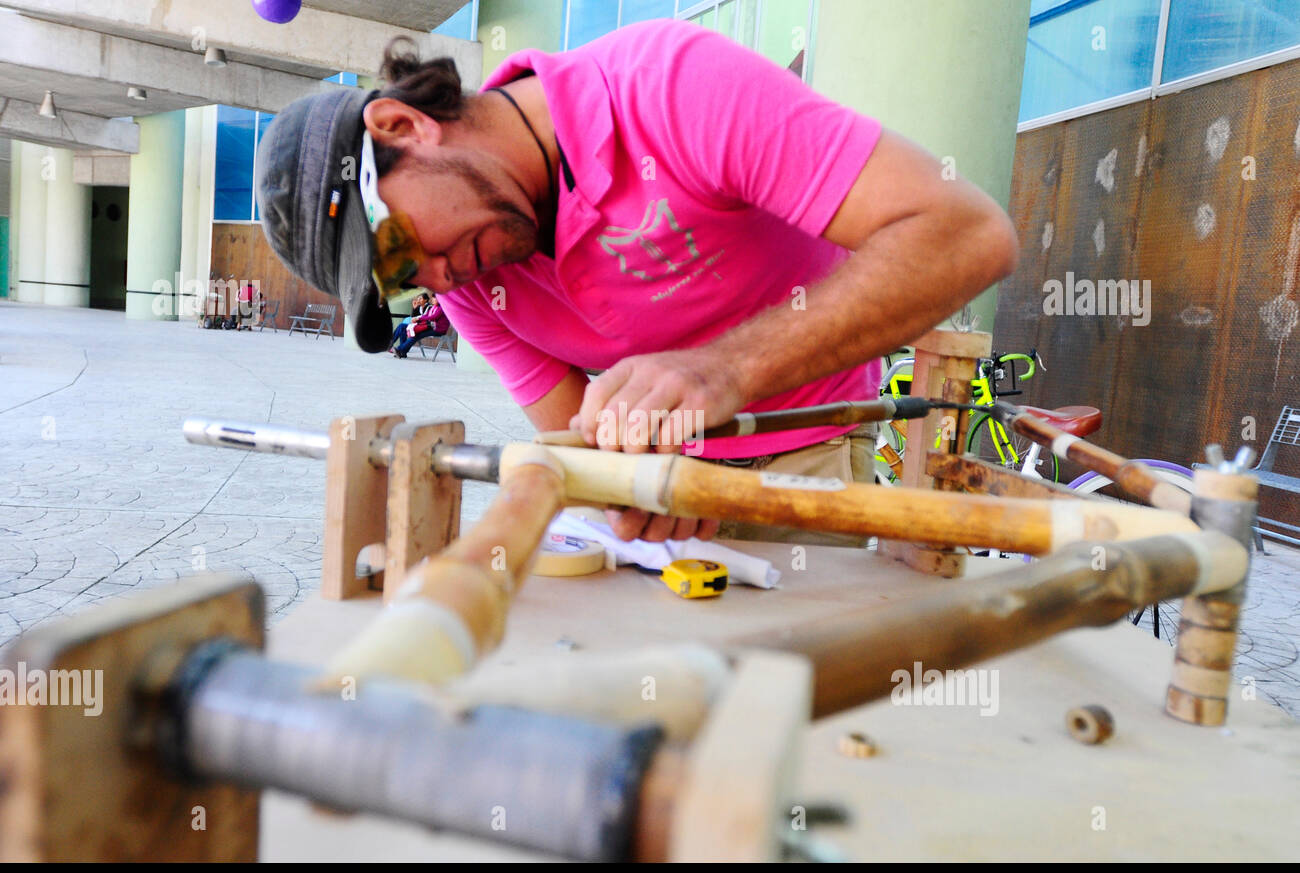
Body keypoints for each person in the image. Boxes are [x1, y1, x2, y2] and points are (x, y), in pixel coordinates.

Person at [254, 19, 1018, 544]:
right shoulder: (464, 275)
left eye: (396, 249)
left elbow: (967, 236)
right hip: (674, 516)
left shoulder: (671, 89)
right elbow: (585, 437)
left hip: (803, 459)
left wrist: (726, 368)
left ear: (402, 126)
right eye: (398, 283)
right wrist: (629, 485)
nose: (432, 278)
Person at [393, 293, 451, 358]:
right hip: (430, 326)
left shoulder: (441, 308)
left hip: (438, 330)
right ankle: (401, 351)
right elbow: (426, 316)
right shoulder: (434, 307)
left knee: (416, 334)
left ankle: (400, 349)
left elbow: (433, 317)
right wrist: (416, 318)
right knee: (403, 327)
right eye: (432, 298)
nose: (432, 299)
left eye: (434, 298)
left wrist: (418, 318)